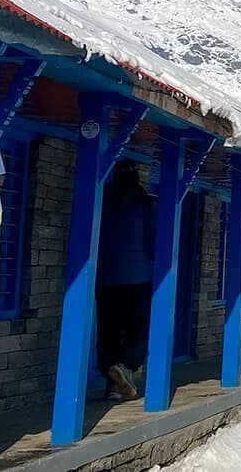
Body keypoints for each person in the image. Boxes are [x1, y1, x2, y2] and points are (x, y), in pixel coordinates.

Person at [96, 160, 157, 400]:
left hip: (105, 277)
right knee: (137, 330)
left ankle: (111, 384)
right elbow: (154, 240)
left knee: (109, 330)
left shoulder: (103, 200)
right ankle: (124, 365)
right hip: (137, 276)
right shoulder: (144, 203)